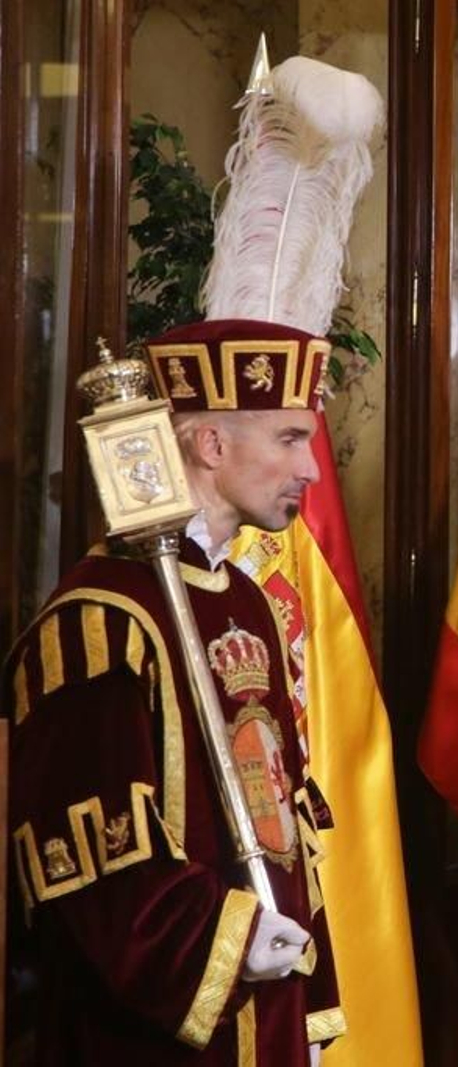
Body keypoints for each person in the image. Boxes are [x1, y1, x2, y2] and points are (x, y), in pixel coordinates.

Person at [7, 321, 344, 1063]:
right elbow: (90, 860)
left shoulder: (248, 600)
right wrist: (228, 941)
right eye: (290, 438)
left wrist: (309, 1004)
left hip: (269, 1007)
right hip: (151, 1030)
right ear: (211, 444)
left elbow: (287, 818)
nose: (311, 467)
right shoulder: (100, 620)